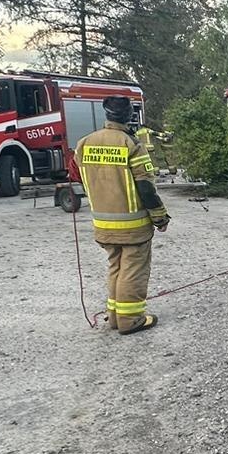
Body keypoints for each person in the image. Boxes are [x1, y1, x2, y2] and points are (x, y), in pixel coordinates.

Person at [77, 96, 170, 334]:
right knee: (133, 269)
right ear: (129, 116)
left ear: (106, 115)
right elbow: (146, 187)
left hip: (102, 224)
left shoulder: (85, 143)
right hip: (132, 225)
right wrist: (159, 217)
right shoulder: (131, 145)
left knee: (115, 267)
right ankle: (131, 320)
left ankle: (116, 316)